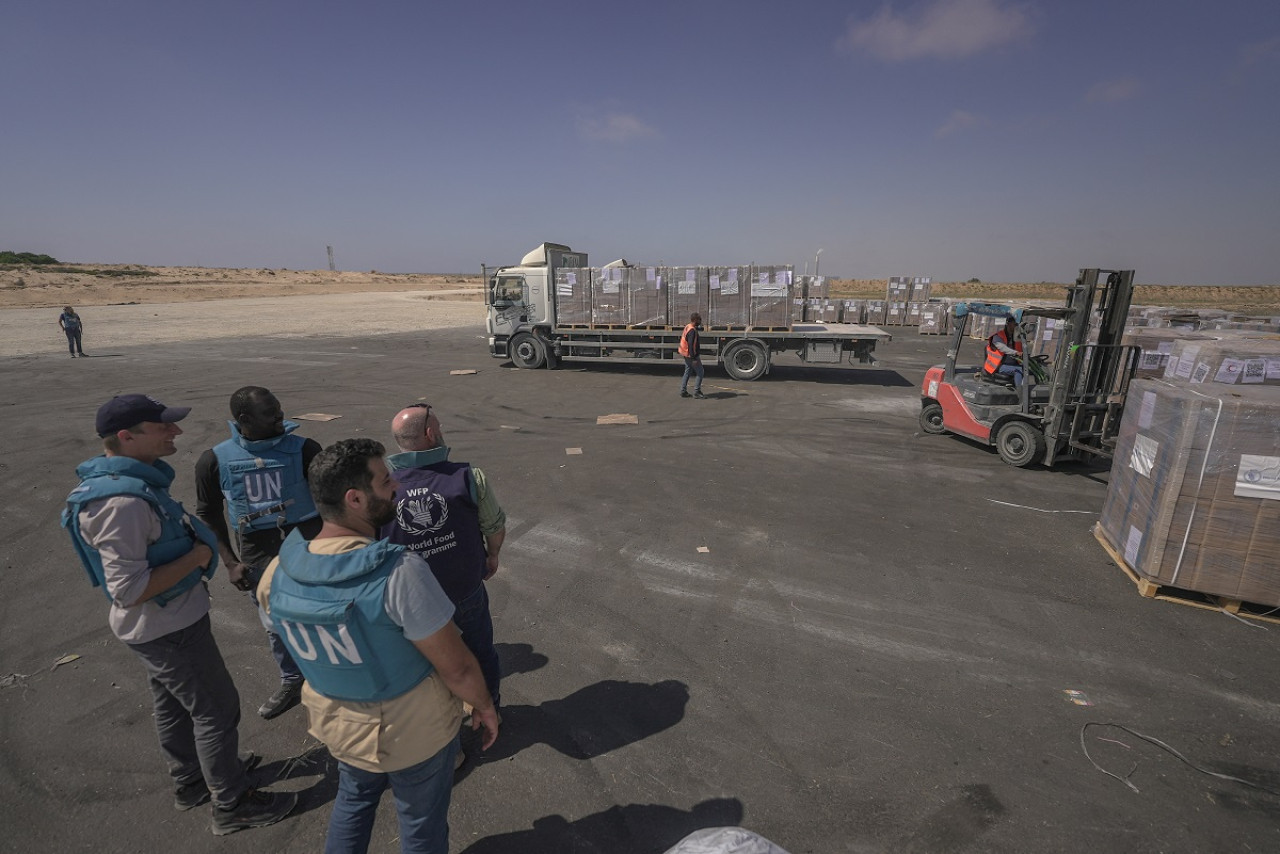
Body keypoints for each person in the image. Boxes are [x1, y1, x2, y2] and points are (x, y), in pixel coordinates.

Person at [62, 394, 297, 836]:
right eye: (163, 426)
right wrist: (200, 556)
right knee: (216, 710)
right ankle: (232, 805)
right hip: (167, 628)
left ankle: (192, 781)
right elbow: (127, 590)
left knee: (172, 704)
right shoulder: (122, 504)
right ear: (127, 437)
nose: (176, 432)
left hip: (162, 627)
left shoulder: (124, 484)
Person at [258, 438, 499, 854]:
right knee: (421, 824)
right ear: (355, 499)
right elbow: (456, 667)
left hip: (341, 727)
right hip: (413, 733)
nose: (396, 488)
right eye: (385, 480)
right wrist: (484, 705)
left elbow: (296, 643)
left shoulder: (277, 573)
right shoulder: (399, 573)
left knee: (353, 802)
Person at [195, 386, 323, 720]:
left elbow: (334, 501)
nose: (281, 416)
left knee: (325, 616)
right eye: (271, 413)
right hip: (257, 553)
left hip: (310, 547)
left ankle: (332, 679)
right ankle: (293, 679)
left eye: (279, 408)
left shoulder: (306, 450)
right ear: (244, 420)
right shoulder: (214, 460)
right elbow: (208, 513)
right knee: (274, 622)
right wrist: (230, 562)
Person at [382, 403, 507, 712]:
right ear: (430, 433)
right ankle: (488, 710)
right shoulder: (467, 475)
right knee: (479, 652)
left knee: (429, 664)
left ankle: (446, 728)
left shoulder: (381, 488)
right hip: (464, 588)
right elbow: (494, 525)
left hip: (412, 601)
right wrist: (492, 557)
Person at [984, 314, 1026, 387]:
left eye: (1018, 324)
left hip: (1011, 364)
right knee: (1018, 370)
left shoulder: (1016, 337)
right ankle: (1021, 393)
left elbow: (1023, 349)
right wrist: (1016, 352)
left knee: (1027, 369)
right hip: (998, 366)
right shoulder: (997, 337)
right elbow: (1003, 348)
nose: (1017, 326)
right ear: (1008, 324)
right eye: (1015, 324)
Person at [678, 312, 706, 398]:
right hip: (691, 355)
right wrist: (694, 358)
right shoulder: (692, 331)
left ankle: (683, 391)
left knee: (688, 371)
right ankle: (697, 392)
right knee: (700, 372)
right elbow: (690, 344)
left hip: (685, 353)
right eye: (699, 320)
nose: (700, 322)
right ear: (695, 320)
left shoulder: (688, 326)